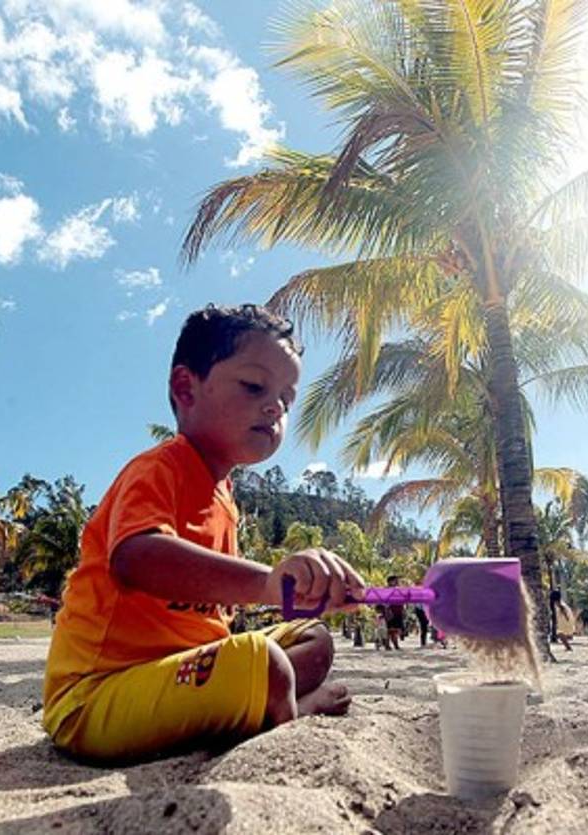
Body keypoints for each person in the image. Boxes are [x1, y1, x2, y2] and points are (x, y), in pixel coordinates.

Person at [42, 304, 364, 762]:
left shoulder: (227, 501)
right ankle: (287, 708)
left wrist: (310, 593)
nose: (275, 407)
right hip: (99, 696)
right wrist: (267, 583)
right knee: (267, 664)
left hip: (183, 674)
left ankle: (271, 702)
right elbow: (136, 557)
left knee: (314, 639)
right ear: (185, 388)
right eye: (254, 386)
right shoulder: (157, 469)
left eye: (287, 400)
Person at [384, 575, 405, 650]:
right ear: (390, 581)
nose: (397, 582)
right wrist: (387, 610)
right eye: (395, 580)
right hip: (391, 611)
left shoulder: (399, 589)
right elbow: (385, 601)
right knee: (390, 629)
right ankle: (389, 644)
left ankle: (394, 644)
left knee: (396, 629)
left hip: (398, 610)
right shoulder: (386, 590)